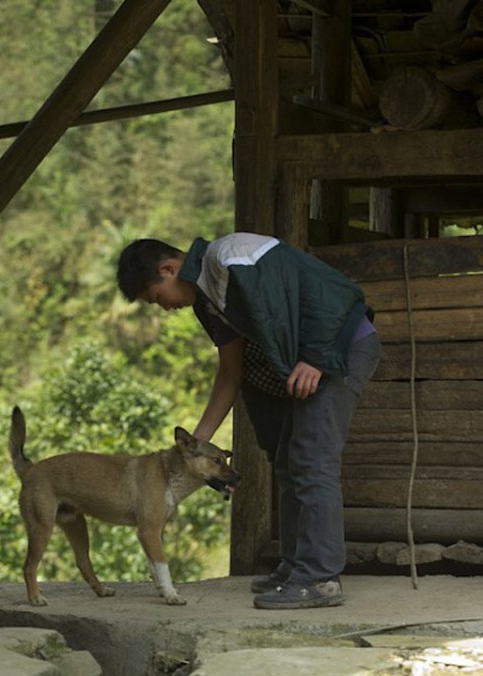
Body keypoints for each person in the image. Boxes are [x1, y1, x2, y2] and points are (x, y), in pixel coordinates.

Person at [116, 233, 380, 609]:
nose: (164, 308)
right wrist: (195, 447)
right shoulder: (207, 302)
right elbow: (230, 373)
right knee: (289, 461)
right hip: (313, 359)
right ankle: (296, 567)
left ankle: (319, 579)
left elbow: (338, 294)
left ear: (168, 269)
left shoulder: (233, 258)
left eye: (158, 298)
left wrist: (317, 358)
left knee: (312, 460)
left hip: (341, 348)